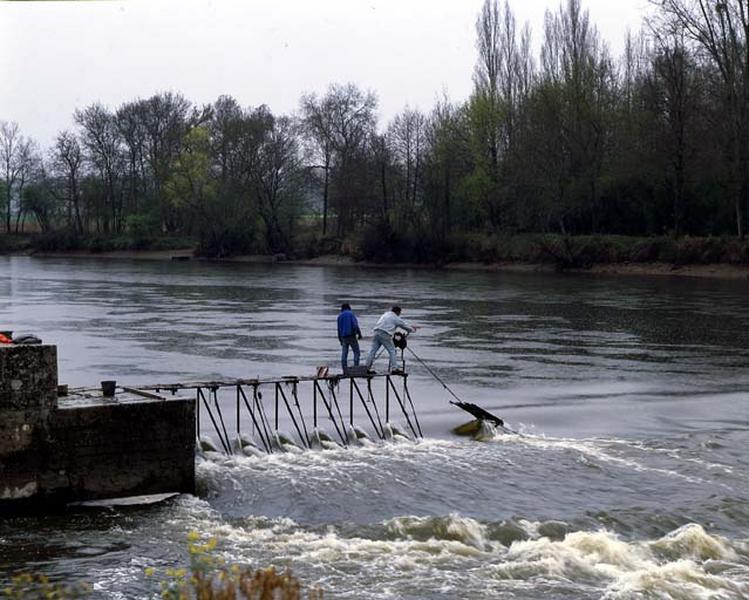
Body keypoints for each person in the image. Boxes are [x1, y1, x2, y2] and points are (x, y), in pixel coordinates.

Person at [365, 305, 419, 374]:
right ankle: (394, 369)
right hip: (385, 334)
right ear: (397, 312)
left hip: (376, 332)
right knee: (392, 351)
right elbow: (404, 325)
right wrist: (413, 329)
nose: (399, 314)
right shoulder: (395, 317)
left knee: (372, 351)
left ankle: (367, 368)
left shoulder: (385, 314)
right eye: (399, 313)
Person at [337, 303, 362, 371]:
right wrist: (359, 334)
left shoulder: (340, 316)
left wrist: (340, 339)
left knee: (344, 353)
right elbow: (355, 325)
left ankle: (344, 368)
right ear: (349, 307)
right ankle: (356, 367)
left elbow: (339, 329)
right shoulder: (351, 314)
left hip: (344, 337)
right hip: (351, 336)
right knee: (356, 352)